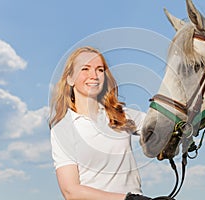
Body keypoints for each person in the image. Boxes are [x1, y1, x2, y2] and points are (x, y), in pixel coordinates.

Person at [48, 46, 160, 200]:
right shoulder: (62, 129)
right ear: (70, 78)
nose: (93, 75)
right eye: (85, 69)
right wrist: (127, 199)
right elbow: (71, 191)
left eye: (100, 70)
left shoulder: (122, 115)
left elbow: (163, 127)